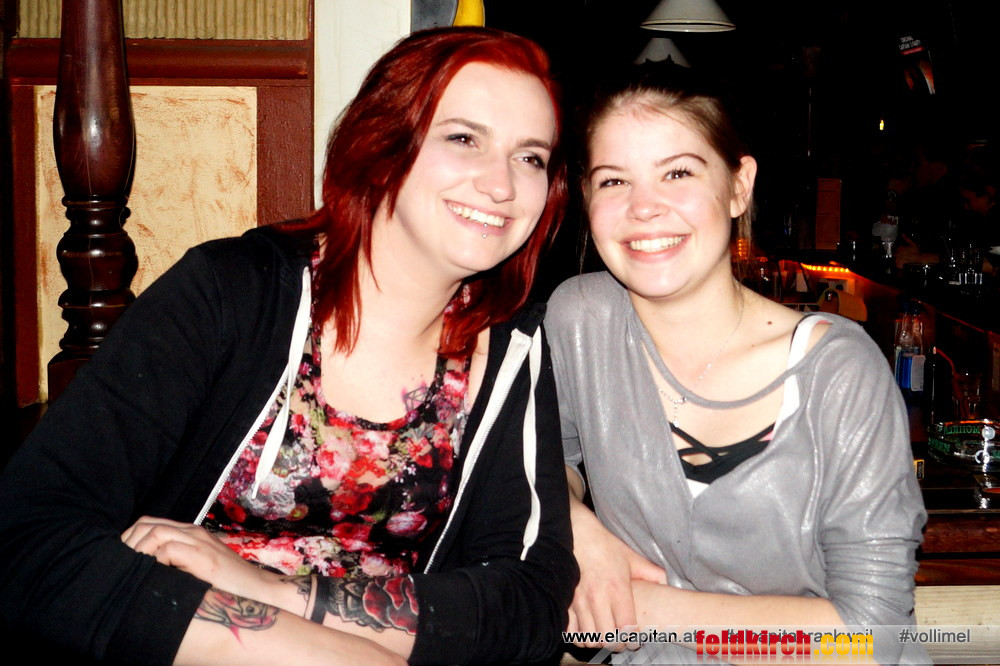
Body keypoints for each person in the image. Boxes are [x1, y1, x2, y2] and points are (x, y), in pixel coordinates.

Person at [0, 27, 577, 665]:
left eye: (530, 157)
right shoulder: (231, 293)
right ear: (383, 147)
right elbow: (30, 538)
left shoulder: (512, 352)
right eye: (463, 138)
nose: (501, 185)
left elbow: (529, 604)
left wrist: (283, 595)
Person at [546, 66, 927, 663]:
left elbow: (873, 634)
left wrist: (640, 610)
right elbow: (543, 460)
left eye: (678, 172)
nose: (644, 208)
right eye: (614, 180)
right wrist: (578, 529)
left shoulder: (837, 370)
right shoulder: (581, 319)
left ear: (738, 186)